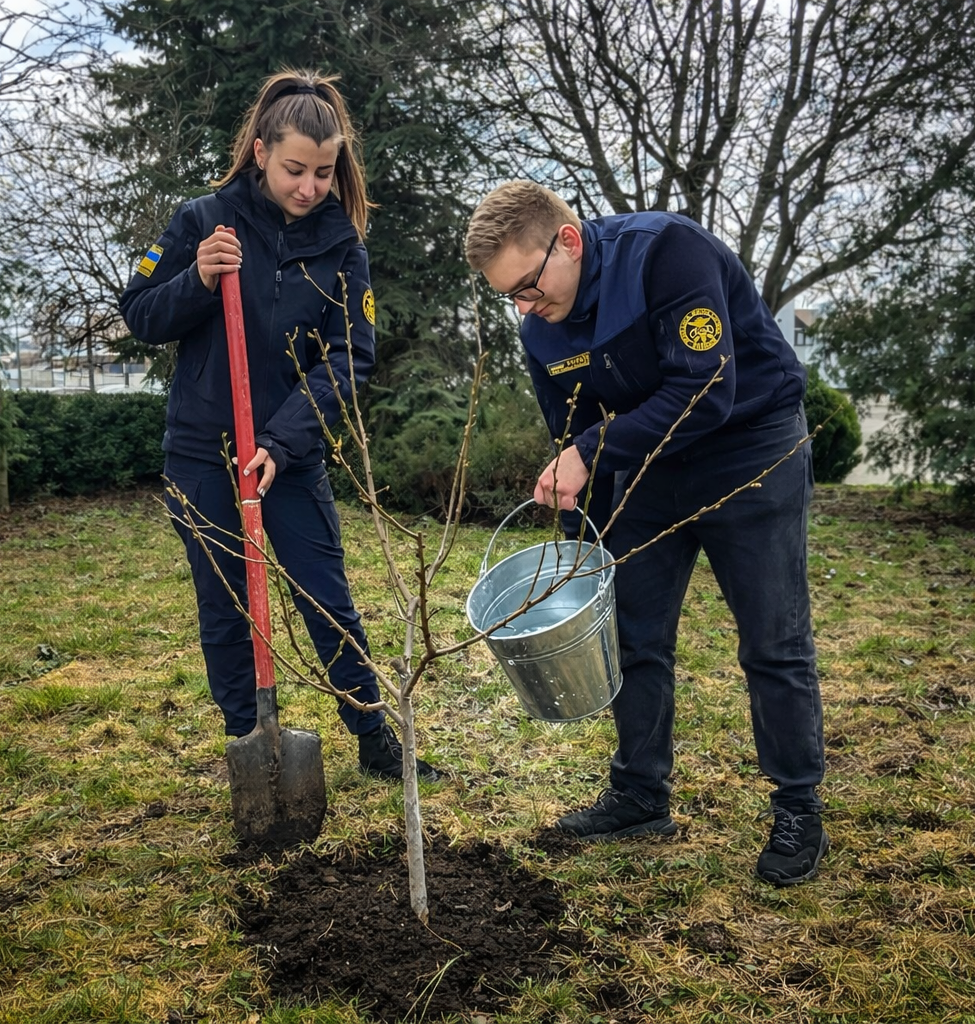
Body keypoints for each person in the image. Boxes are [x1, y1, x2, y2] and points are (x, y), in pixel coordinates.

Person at [464, 181, 826, 885]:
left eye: (529, 286)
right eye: (508, 295)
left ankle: (797, 807)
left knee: (772, 639)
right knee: (632, 629)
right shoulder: (541, 327)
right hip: (649, 469)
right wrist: (576, 536)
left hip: (751, 450)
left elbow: (704, 391)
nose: (524, 306)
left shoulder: (667, 254)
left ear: (568, 240)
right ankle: (638, 794)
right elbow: (571, 437)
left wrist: (592, 451)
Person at [120, 69, 435, 782]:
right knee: (225, 603)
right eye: (296, 169)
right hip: (204, 453)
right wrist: (197, 278)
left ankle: (375, 739)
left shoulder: (341, 247)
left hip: (286, 456)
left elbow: (352, 355)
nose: (310, 187)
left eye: (324, 172)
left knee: (326, 596)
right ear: (261, 151)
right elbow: (139, 313)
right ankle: (250, 745)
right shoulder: (204, 221)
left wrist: (281, 441)